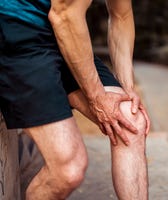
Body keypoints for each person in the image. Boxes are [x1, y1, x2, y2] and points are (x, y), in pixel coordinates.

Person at [0, 0, 150, 199]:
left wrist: (127, 90)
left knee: (131, 121)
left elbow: (121, 16)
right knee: (68, 169)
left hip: (63, 35)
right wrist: (97, 98)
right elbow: (64, 14)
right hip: (17, 30)